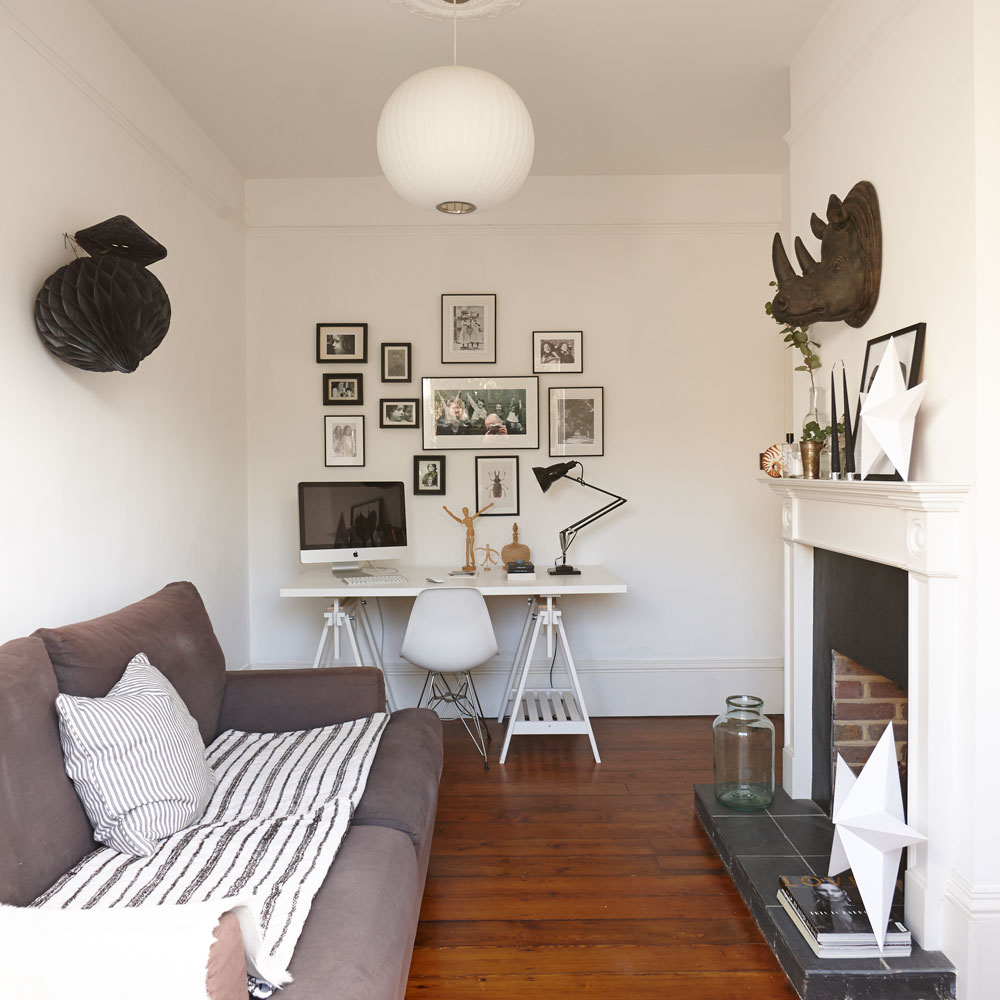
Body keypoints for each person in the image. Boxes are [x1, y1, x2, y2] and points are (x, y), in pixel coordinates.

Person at [443, 502, 494, 570]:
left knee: (471, 550)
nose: (465, 513)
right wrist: (446, 510)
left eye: (466, 511)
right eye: (464, 512)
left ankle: (473, 562)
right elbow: (453, 516)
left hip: (472, 533)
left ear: (468, 512)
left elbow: (480, 512)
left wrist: (489, 505)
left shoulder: (471, 518)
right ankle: (467, 563)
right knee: (467, 550)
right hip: (467, 534)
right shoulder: (463, 520)